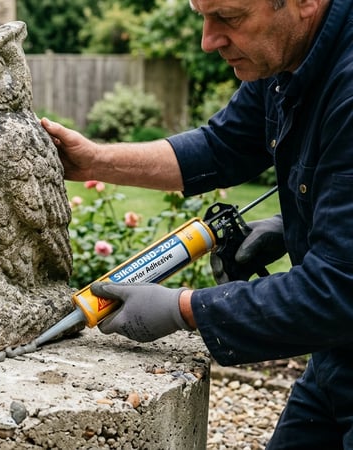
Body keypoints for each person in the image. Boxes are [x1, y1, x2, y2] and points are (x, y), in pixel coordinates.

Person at [41, 0, 353, 447]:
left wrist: (183, 308)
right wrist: (94, 160)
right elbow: (223, 146)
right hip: (335, 357)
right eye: (202, 16)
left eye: (229, 17)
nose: (209, 41)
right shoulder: (288, 58)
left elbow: (341, 288)